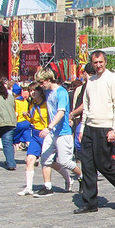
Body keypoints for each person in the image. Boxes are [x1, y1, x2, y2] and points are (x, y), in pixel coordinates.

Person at [77, 50, 115, 214]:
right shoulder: (91, 81)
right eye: (95, 63)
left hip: (105, 128)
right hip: (90, 127)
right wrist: (82, 128)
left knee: (105, 166)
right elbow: (86, 107)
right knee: (87, 166)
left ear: (105, 62)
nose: (98, 65)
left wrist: (114, 128)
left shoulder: (112, 79)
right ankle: (90, 202)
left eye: (100, 62)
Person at [35, 68, 80, 198]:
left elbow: (61, 112)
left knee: (65, 161)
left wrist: (49, 127)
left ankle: (81, 175)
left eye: (42, 82)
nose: (41, 85)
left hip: (63, 132)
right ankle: (47, 186)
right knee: (45, 159)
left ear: (49, 80)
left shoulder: (61, 92)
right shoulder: (47, 91)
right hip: (52, 132)